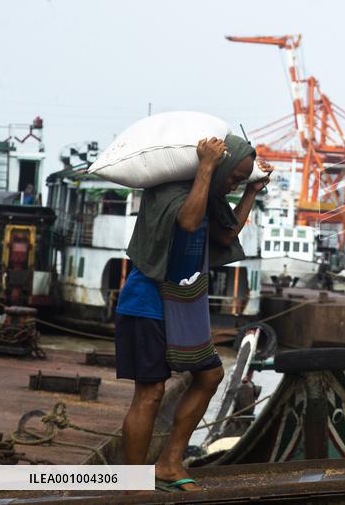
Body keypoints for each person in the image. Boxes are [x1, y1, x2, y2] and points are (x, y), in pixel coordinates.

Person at [114, 135, 271, 492]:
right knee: (151, 391)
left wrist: (251, 191)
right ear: (218, 167)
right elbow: (187, 221)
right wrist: (205, 167)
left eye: (239, 179)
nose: (234, 184)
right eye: (235, 177)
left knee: (210, 374)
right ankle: (132, 484)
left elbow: (226, 232)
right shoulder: (168, 190)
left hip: (182, 302)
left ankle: (169, 463)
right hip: (146, 303)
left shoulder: (209, 197)